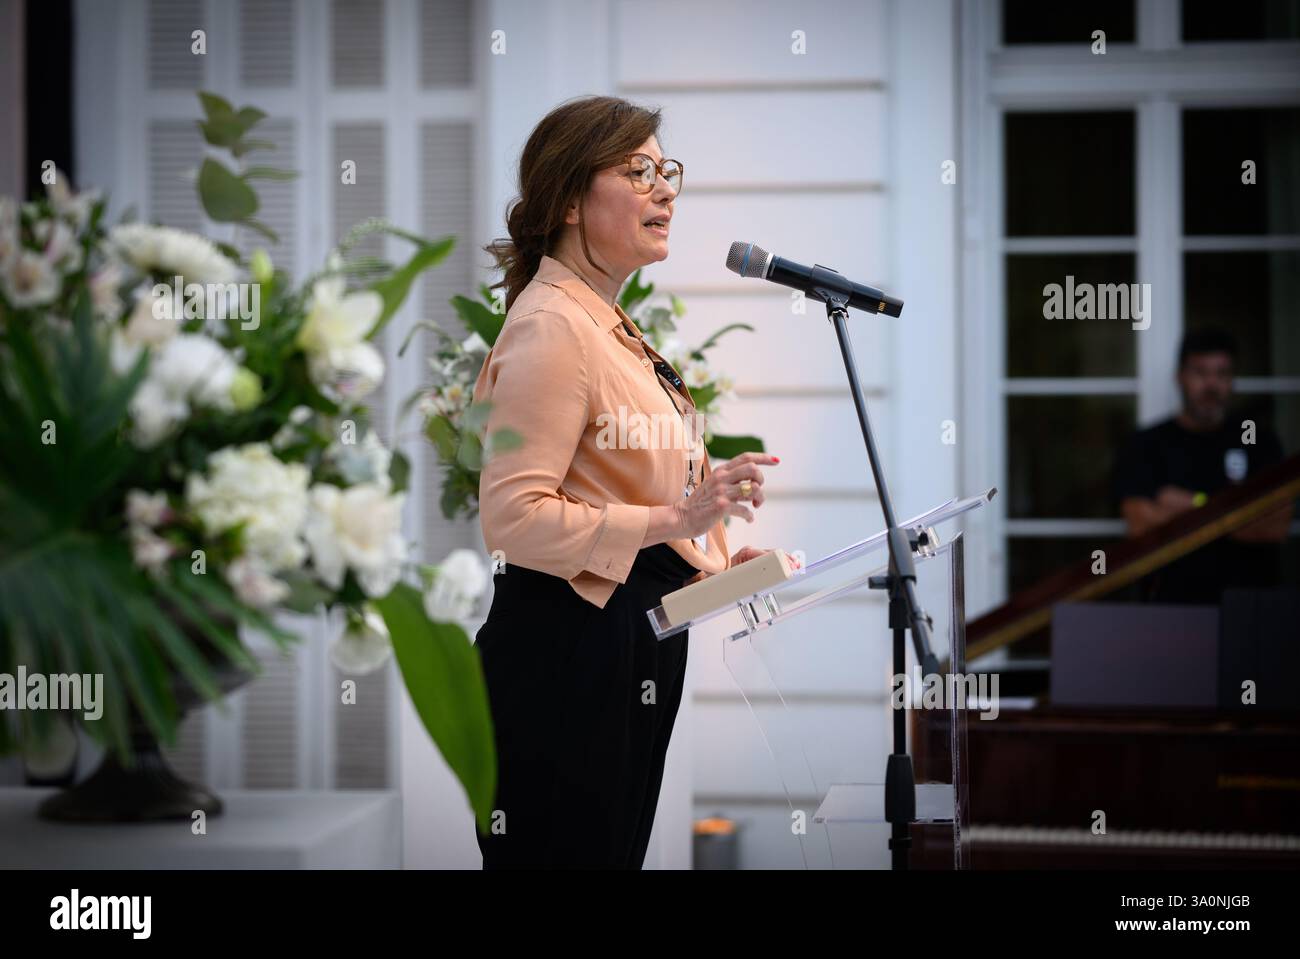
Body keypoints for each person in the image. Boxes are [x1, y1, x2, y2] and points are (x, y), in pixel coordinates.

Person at [470, 95, 797, 868]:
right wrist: (674, 519)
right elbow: (513, 519)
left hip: (620, 652)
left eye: (667, 170)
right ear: (572, 201)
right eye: (639, 170)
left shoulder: (605, 324)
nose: (666, 190)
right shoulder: (555, 324)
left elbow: (639, 559)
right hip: (564, 661)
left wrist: (719, 574)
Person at [1113, 327, 1292, 603]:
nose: (1211, 385)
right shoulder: (1147, 443)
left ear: (1232, 380)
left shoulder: (1259, 440)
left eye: (1221, 374)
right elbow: (1140, 525)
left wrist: (1195, 503)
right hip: (1170, 604)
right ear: (1180, 377)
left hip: (1251, 604)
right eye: (1200, 373)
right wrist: (1241, 513)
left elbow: (1276, 525)